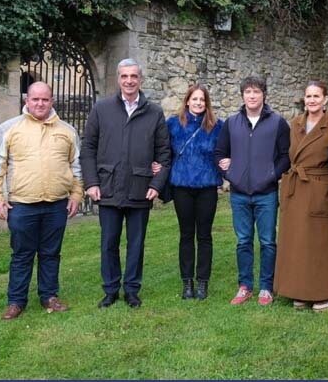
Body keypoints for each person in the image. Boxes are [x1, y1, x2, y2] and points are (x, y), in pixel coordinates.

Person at [0, 82, 83, 320]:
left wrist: (77, 194)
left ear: (52, 101)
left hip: (56, 204)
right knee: (22, 254)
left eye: (45, 100)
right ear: (27, 100)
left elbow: (77, 166)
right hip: (22, 205)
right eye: (35, 99)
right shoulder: (8, 129)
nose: (40, 104)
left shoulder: (67, 130)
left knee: (51, 253)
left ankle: (49, 296)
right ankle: (16, 301)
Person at [80, 58, 171, 309]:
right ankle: (110, 290)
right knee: (109, 242)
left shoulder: (154, 112)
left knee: (136, 243)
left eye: (134, 76)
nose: (129, 81)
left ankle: (132, 289)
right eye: (124, 76)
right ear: (118, 79)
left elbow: (164, 153)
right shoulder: (102, 109)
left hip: (140, 188)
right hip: (107, 187)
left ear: (140, 80)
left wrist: (157, 183)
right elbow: (87, 148)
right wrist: (90, 182)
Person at [215, 76, 290, 306]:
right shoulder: (231, 123)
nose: (252, 96)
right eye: (248, 91)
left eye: (256, 91)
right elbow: (220, 153)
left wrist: (271, 175)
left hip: (266, 193)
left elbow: (285, 156)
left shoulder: (278, 123)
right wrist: (230, 173)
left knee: (267, 241)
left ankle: (266, 287)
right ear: (242, 95)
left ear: (263, 95)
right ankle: (245, 286)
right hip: (239, 193)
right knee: (243, 241)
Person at [274, 81, 328, 311]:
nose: (312, 100)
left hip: (320, 188)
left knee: (319, 242)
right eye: (308, 96)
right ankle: (298, 290)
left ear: (325, 99)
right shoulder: (295, 124)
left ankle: (322, 292)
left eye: (316, 96)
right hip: (295, 188)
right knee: (296, 242)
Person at [165, 84, 224, 301]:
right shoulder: (173, 124)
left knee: (205, 235)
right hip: (182, 187)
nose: (199, 103)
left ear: (206, 103)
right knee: (186, 234)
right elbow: (163, 150)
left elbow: (224, 151)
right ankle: (187, 282)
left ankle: (202, 282)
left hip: (207, 186)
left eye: (202, 100)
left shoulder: (217, 126)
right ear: (187, 101)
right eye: (195, 99)